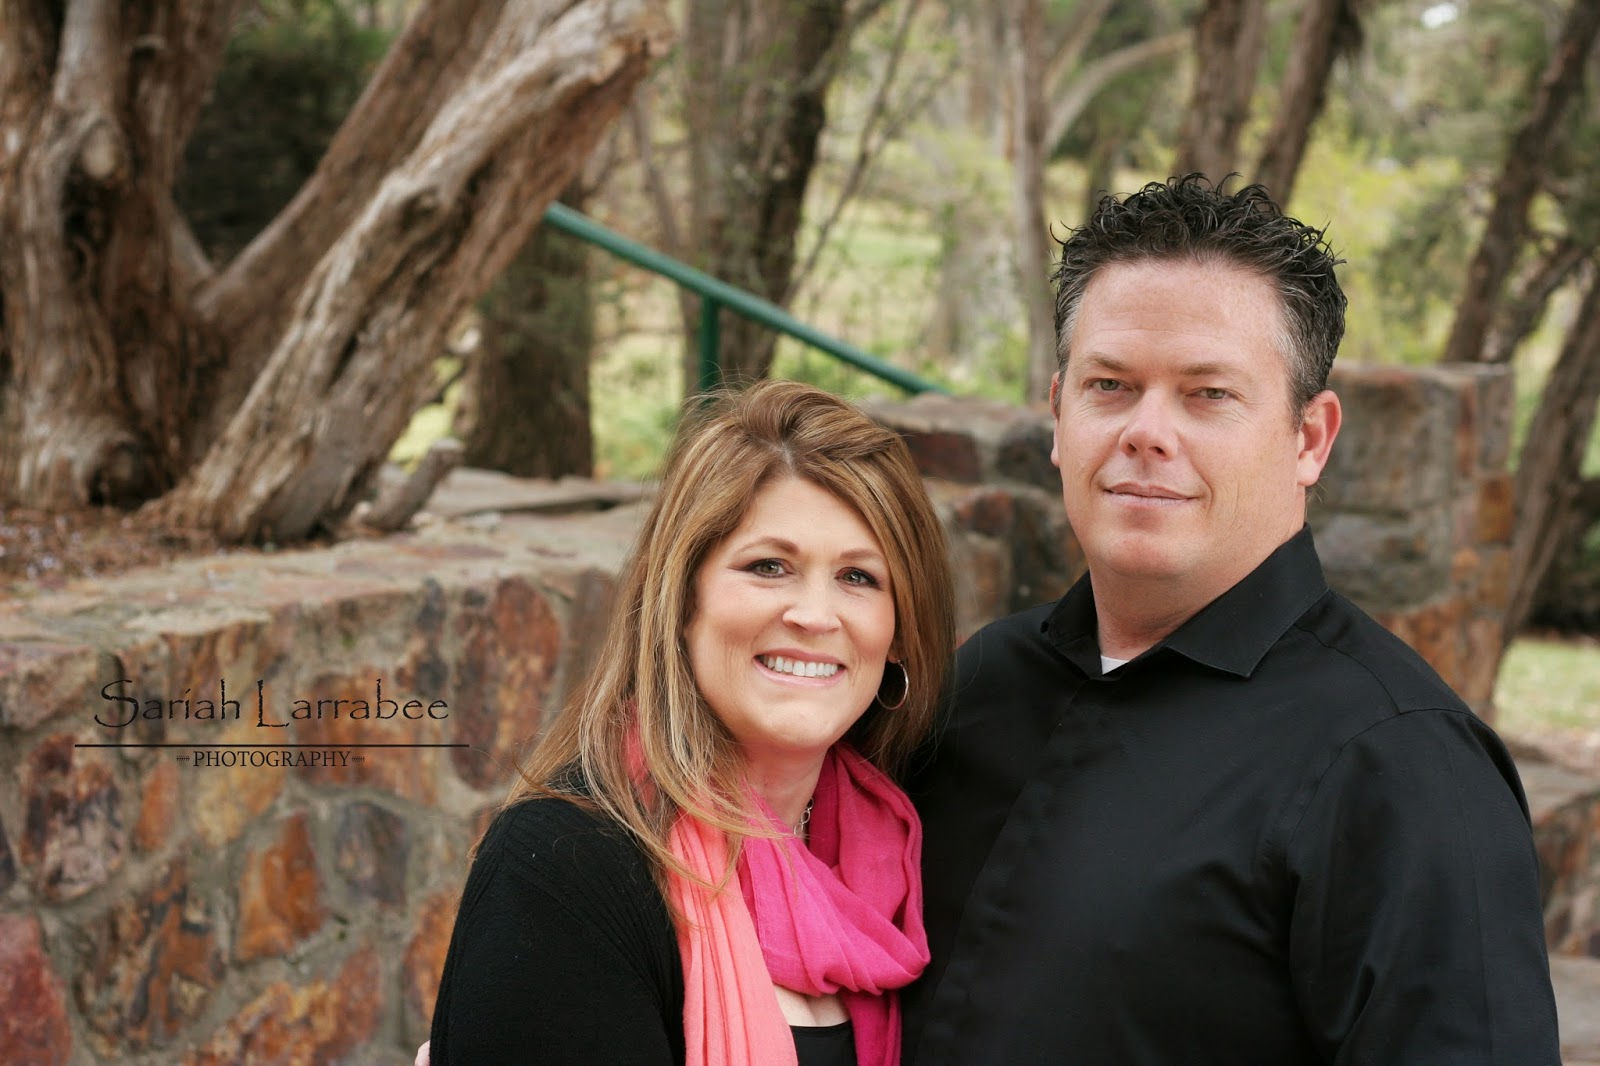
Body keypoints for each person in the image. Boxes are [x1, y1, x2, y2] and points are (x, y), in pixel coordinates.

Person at [902, 175, 1562, 1064]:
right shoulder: (983, 679)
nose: (1146, 431)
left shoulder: (1402, 767)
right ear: (1058, 414)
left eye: (1208, 393)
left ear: (1310, 439)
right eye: (1110, 385)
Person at [425, 380, 955, 1066]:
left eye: (858, 578)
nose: (814, 616)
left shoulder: (901, 860)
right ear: (680, 600)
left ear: (901, 632)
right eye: (769, 567)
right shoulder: (563, 866)